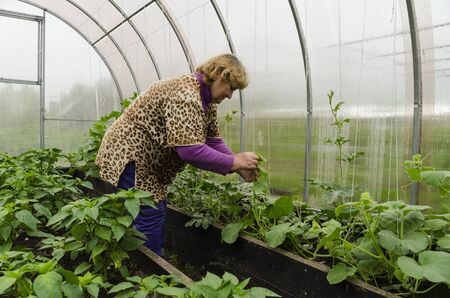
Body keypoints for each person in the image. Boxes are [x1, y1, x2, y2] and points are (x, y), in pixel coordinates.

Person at [95, 54, 260, 256]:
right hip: (131, 156)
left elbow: (213, 140)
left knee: (154, 210)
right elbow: (190, 151)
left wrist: (239, 166)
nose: (230, 95)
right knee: (148, 214)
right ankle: (149, 277)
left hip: (149, 164)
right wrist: (233, 162)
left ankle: (148, 263)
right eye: (231, 87)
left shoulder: (205, 100)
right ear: (218, 74)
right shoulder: (186, 95)